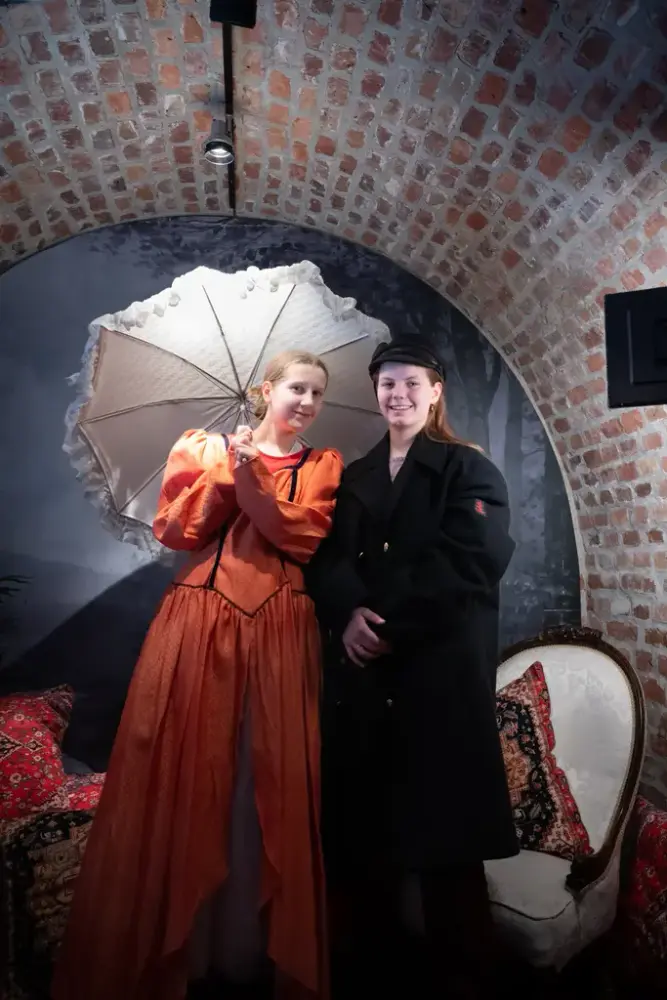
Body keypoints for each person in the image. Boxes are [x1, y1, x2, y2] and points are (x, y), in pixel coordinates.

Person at [52, 350, 343, 1000]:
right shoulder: (202, 448)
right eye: (296, 388)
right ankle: (183, 949)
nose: (306, 402)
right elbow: (176, 530)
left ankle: (245, 948)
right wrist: (226, 470)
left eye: (317, 394)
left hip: (278, 630)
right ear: (266, 390)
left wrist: (250, 477)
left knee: (261, 779)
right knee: (189, 772)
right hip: (198, 621)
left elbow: (295, 536)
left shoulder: (321, 465)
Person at [306, 338, 518, 999]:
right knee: (365, 856)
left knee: (449, 859)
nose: (395, 394)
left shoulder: (468, 471)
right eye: (385, 384)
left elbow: (471, 562)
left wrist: (386, 625)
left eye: (408, 383)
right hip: (365, 692)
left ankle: (466, 982)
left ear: (434, 392)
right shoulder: (353, 477)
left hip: (439, 688)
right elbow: (325, 560)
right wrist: (347, 613)